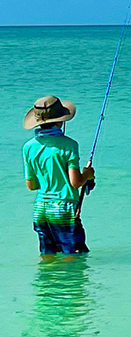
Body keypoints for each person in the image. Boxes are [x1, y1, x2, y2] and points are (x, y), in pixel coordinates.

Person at [22, 96, 95, 256]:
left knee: (47, 254)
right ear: (60, 121)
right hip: (63, 209)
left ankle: (49, 281)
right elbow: (75, 182)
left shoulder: (28, 147)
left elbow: (31, 185)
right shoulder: (69, 145)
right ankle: (69, 280)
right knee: (73, 254)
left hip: (40, 209)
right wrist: (87, 175)